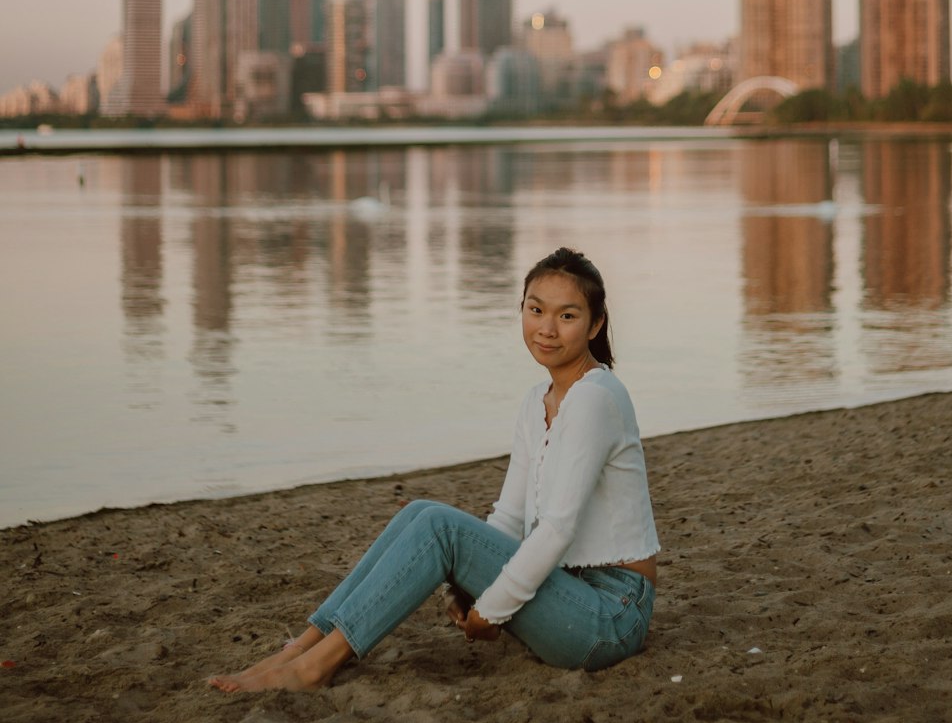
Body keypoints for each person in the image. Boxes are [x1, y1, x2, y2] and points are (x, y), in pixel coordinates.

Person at [209, 246, 659, 692]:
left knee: (440, 528)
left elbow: (556, 528)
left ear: (595, 324)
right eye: (535, 309)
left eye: (567, 316)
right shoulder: (536, 401)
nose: (546, 328)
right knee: (420, 512)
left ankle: (314, 669)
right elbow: (509, 516)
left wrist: (492, 609)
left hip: (610, 614)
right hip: (565, 589)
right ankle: (304, 646)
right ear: (520, 309)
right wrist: (467, 591)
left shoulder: (595, 397)